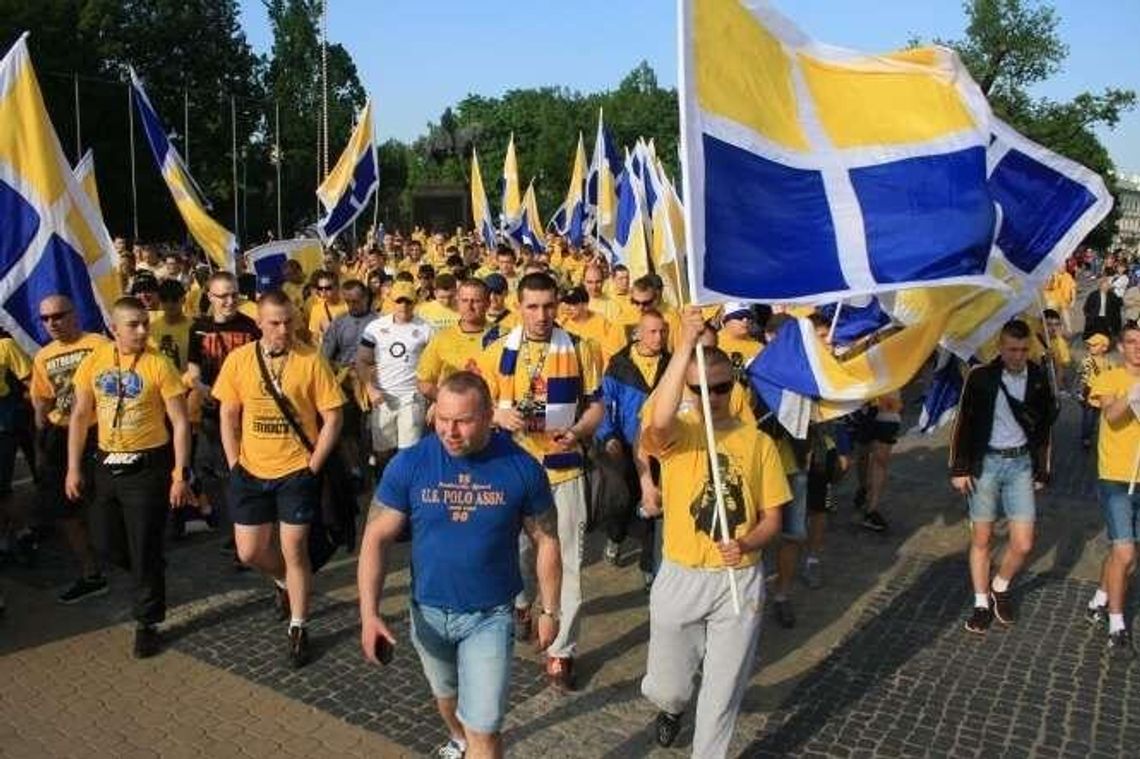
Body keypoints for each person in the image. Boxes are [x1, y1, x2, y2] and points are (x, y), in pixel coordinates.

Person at [358, 372, 562, 759]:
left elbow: (547, 538)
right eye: (443, 419)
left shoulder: (521, 468)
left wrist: (550, 609)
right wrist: (369, 614)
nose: (450, 431)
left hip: (489, 617)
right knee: (447, 697)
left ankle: (472, 740)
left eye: (463, 421)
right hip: (428, 614)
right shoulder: (410, 463)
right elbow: (375, 537)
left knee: (484, 727)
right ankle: (457, 736)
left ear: (488, 416)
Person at [639, 306, 789, 756]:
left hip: (738, 578)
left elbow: (772, 519)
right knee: (668, 687)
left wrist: (745, 543)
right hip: (681, 575)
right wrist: (683, 345)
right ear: (688, 389)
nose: (713, 397)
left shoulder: (758, 442)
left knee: (722, 694)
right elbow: (656, 424)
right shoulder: (679, 433)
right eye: (701, 389)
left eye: (722, 388)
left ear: (733, 388)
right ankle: (671, 706)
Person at [478, 272, 603, 691]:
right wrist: (496, 414)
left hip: (563, 468)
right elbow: (475, 405)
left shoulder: (583, 348)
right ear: (518, 306)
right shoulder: (497, 351)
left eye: (549, 306)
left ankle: (562, 651)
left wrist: (581, 430)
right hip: (512, 469)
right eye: (532, 306)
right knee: (514, 556)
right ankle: (522, 603)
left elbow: (597, 407)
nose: (541, 315)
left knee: (569, 564)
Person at [213, 291, 345, 667]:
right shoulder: (239, 360)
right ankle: (286, 583)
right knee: (250, 551)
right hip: (251, 471)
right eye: (274, 322)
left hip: (295, 471)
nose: (283, 329)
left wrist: (313, 465)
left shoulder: (311, 359)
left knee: (295, 549)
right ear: (259, 323)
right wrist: (234, 460)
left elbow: (333, 417)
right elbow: (228, 413)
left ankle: (299, 626)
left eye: (289, 321)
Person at [66, 297, 194, 657]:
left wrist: (179, 474)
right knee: (105, 540)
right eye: (133, 325)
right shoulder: (95, 361)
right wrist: (73, 467)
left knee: (143, 544)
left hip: (148, 465)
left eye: (144, 324)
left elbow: (181, 423)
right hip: (107, 463)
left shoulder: (159, 364)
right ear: (114, 328)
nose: (142, 331)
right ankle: (147, 566)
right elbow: (79, 415)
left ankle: (147, 621)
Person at [950, 319, 1056, 634]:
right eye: (1012, 350)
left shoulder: (1037, 377)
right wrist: (960, 468)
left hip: (1021, 464)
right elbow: (963, 424)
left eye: (1023, 350)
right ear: (1000, 346)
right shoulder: (980, 377)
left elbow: (1044, 430)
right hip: (986, 465)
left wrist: (1042, 469)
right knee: (982, 538)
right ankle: (981, 602)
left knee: (1023, 543)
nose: (1018, 356)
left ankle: (1000, 585)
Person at [30, 296, 109, 603]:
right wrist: (40, 439)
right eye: (46, 319)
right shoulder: (43, 356)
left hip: (97, 432)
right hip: (58, 435)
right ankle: (90, 572)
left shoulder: (99, 344)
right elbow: (43, 398)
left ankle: (125, 555)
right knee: (65, 507)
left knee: (104, 500)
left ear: (74, 314)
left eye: (59, 315)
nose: (52, 323)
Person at [187, 272, 261, 568]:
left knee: (240, 475)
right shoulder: (198, 329)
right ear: (209, 297)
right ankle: (236, 530)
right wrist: (201, 387)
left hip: (244, 414)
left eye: (234, 295)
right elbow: (193, 370)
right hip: (210, 415)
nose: (230, 301)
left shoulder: (251, 327)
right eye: (223, 296)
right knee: (211, 473)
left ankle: (249, 538)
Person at [595, 310, 670, 589]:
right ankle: (615, 536)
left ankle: (649, 565)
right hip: (624, 446)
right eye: (652, 331)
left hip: (660, 446)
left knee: (654, 503)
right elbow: (605, 404)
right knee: (622, 501)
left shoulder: (672, 365)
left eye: (663, 332)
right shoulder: (619, 366)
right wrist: (609, 436)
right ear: (637, 333)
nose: (658, 337)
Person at [1085, 322, 1140, 658]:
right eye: (1132, 342)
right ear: (1121, 347)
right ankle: (1116, 626)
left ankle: (1100, 598)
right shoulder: (1109, 377)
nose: (1138, 347)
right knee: (1125, 553)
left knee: (1128, 557)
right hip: (1116, 477)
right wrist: (1133, 394)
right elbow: (1111, 413)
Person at [357, 281, 434, 476]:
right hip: (383, 399)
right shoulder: (374, 327)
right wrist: (370, 389)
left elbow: (436, 366)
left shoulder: (426, 329)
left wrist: (433, 399)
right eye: (399, 301)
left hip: (412, 398)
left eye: (408, 302)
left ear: (415, 302)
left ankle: (406, 491)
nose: (403, 306)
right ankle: (384, 488)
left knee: (408, 453)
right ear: (391, 301)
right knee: (383, 453)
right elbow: (362, 361)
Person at [417, 279, 491, 401]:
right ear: (458, 302)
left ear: (488, 303)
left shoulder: (504, 336)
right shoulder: (442, 337)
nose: (469, 306)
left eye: (476, 301)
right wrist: (445, 401)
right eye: (464, 301)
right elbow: (424, 381)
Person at [851, 390, 902, 533]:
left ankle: (871, 510)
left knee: (881, 459)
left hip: (889, 406)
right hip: (864, 404)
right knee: (862, 454)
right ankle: (863, 487)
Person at [1079, 333, 1115, 449]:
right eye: (1089, 345)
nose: (1090, 347)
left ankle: (1090, 436)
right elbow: (1084, 380)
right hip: (1089, 396)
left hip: (1102, 397)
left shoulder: (1109, 363)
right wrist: (1082, 394)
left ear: (1104, 348)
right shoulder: (1087, 362)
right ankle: (1086, 438)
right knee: (1088, 419)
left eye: (1094, 345)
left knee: (1096, 419)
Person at [307, 270, 349, 346]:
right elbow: (314, 338)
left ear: (337, 287)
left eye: (328, 288)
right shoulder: (316, 309)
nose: (323, 291)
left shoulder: (349, 304)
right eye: (320, 288)